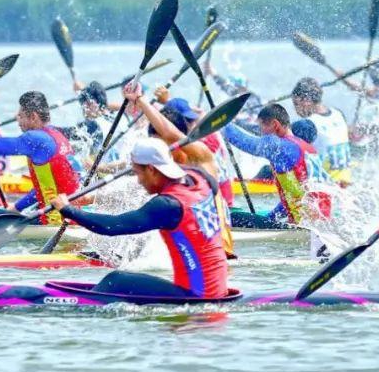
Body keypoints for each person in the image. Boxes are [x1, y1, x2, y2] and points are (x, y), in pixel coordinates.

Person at [53, 137, 229, 299]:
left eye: (138, 173)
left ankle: (79, 302)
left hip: (199, 296)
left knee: (116, 280)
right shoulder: (200, 178)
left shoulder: (168, 205)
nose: (138, 181)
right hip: (218, 289)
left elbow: (112, 226)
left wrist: (67, 210)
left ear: (152, 169)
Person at [122, 82, 236, 258]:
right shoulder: (168, 167)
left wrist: (140, 100)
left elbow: (169, 133)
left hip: (215, 254)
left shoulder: (199, 156)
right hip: (199, 255)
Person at [221, 103, 333, 258]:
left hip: (306, 228)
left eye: (262, 128)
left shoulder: (281, 147)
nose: (262, 133)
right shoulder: (308, 148)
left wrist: (220, 124)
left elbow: (247, 143)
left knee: (230, 216)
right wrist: (270, 219)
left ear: (275, 124)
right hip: (323, 222)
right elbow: (295, 194)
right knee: (251, 215)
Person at [0, 91, 80, 224]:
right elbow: (42, 189)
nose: (17, 118)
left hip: (57, 222)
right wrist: (16, 207)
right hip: (74, 217)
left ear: (33, 117)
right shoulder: (57, 134)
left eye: (20, 115)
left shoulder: (35, 139)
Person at [290, 77, 352, 185]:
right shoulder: (338, 114)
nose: (296, 109)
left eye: (296, 104)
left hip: (326, 187)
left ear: (306, 101)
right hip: (346, 181)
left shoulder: (308, 124)